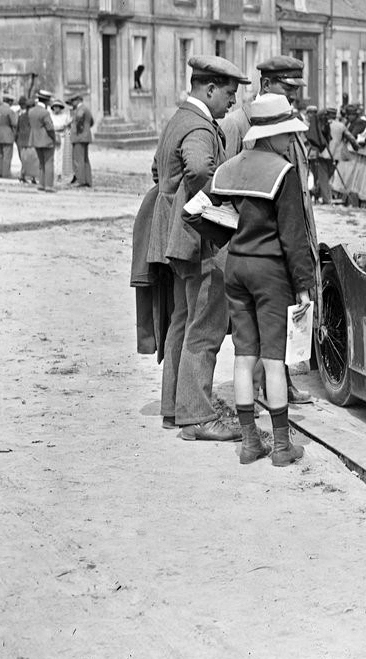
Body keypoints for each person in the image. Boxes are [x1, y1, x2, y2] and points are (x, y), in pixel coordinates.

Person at [209, 94, 315, 466]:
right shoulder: (283, 172)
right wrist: (303, 284)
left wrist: (226, 238)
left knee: (243, 356)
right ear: (271, 135)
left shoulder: (230, 167)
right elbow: (293, 236)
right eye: (287, 134)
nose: (290, 140)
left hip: (236, 268)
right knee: (273, 360)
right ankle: (282, 447)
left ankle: (250, 443)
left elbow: (199, 211)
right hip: (270, 272)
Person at [147, 55, 244, 442]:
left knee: (183, 321)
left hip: (178, 239)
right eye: (230, 94)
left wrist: (178, 203)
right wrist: (217, 207)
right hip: (201, 241)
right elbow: (201, 169)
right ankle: (197, 417)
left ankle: (175, 408)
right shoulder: (200, 128)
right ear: (210, 89)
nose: (233, 102)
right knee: (206, 326)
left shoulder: (178, 120)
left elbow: (158, 171)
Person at [27, 89, 58, 192]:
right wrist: (54, 138)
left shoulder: (31, 111)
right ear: (46, 101)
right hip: (46, 140)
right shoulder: (45, 113)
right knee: (49, 163)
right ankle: (49, 185)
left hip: (35, 140)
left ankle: (41, 184)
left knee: (41, 163)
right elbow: (50, 128)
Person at [67, 92, 94, 187]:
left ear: (78, 100)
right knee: (85, 159)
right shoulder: (86, 109)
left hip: (78, 137)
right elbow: (91, 122)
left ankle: (81, 180)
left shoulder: (80, 109)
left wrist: (76, 128)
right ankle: (87, 180)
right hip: (85, 137)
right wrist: (86, 129)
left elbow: (79, 118)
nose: (72, 103)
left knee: (78, 160)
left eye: (73, 101)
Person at [16, 97, 37, 184]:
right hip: (31, 141)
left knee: (24, 159)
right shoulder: (34, 117)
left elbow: (17, 129)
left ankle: (23, 175)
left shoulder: (21, 116)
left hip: (21, 140)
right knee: (33, 159)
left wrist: (16, 140)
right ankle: (32, 177)